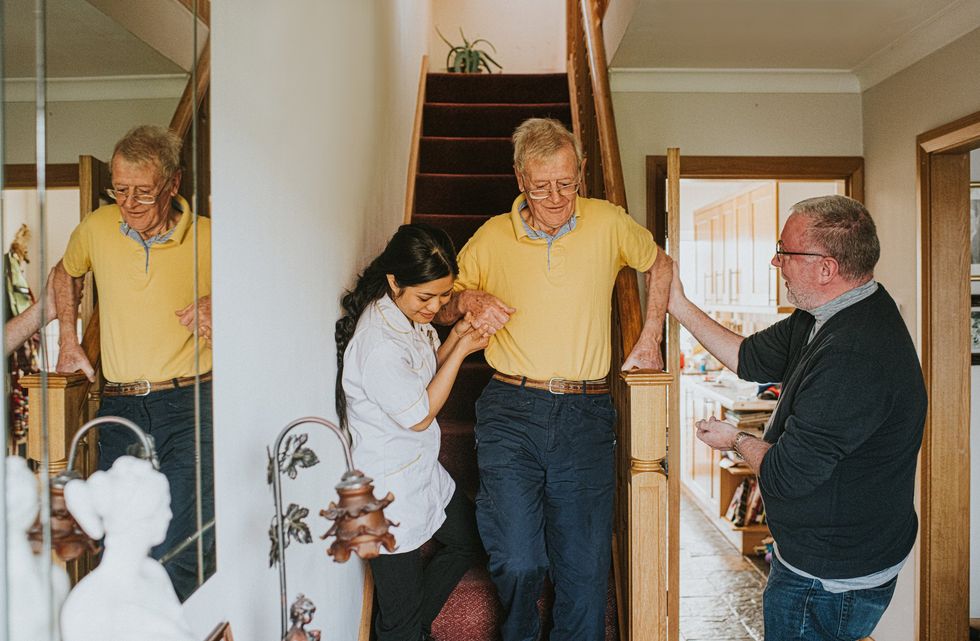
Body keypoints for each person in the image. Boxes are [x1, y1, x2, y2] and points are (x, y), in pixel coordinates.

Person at [433, 118, 672, 641]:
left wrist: (650, 334)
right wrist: (468, 300)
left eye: (567, 183)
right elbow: (443, 305)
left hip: (586, 414)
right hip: (511, 411)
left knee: (584, 572)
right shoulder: (493, 236)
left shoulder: (608, 222)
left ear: (581, 172)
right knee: (518, 559)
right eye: (542, 186)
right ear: (520, 179)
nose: (556, 197)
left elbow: (659, 264)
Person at [668, 195, 926, 640]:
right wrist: (680, 306)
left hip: (828, 576)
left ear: (826, 268)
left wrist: (736, 439)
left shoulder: (855, 355)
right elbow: (749, 358)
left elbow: (788, 475)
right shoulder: (824, 313)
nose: (775, 260)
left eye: (785, 251)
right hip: (825, 555)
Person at [52, 124, 213, 600]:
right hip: (120, 407)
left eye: (144, 192)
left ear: (174, 183)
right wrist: (68, 336)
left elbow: (258, 292)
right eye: (120, 190)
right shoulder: (97, 227)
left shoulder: (209, 237)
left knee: (187, 540)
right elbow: (65, 272)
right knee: (120, 539)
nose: (130, 203)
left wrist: (218, 301)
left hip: (189, 404)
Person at [335, 223, 486, 641]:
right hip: (385, 492)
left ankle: (415, 626)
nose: (436, 306)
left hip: (420, 472)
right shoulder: (378, 342)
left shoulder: (404, 314)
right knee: (396, 625)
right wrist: (463, 355)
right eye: (426, 297)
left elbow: (420, 377)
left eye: (443, 294)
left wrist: (455, 336)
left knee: (467, 542)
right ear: (394, 281)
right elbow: (419, 413)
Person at [61, 456, 195, 641]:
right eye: (162, 507)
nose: (168, 514)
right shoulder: (90, 603)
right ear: (137, 519)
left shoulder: (153, 573)